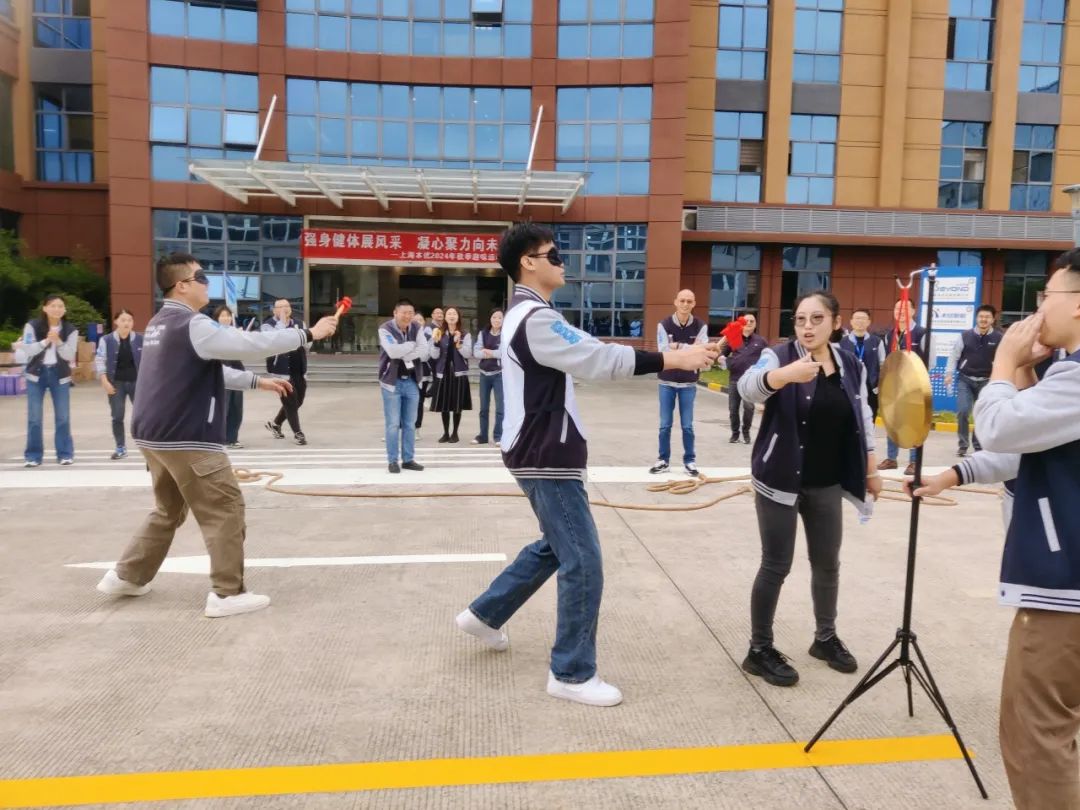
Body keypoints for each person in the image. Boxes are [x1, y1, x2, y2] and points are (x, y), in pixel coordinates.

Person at [454, 222, 719, 707]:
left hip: (539, 449)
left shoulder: (527, 313)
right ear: (528, 263)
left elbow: (591, 351)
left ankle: (484, 614)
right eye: (553, 254)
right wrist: (673, 360)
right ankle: (571, 673)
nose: (562, 262)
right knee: (583, 558)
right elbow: (597, 359)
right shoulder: (535, 317)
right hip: (545, 452)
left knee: (557, 545)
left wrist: (676, 355)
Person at [909, 248, 1080, 809]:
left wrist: (1005, 362)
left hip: (1064, 591)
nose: (1037, 309)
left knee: (1037, 737)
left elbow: (1002, 428)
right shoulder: (1064, 376)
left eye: (1047, 296)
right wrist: (955, 473)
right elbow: (1031, 444)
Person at [94, 253, 338, 618]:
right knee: (225, 508)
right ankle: (227, 593)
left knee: (168, 510)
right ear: (182, 285)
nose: (208, 284)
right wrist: (308, 334)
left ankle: (126, 576)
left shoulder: (160, 324)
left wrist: (256, 381)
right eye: (202, 277)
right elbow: (249, 344)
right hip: (186, 435)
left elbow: (205, 371)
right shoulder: (193, 324)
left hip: (153, 436)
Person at [737, 290, 881, 688]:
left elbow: (862, 414)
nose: (807, 327)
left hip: (826, 481)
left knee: (827, 562)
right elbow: (748, 388)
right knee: (776, 564)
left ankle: (825, 638)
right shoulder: (779, 356)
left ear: (836, 322)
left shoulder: (850, 363)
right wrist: (783, 376)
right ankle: (759, 649)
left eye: (817, 318)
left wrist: (871, 467)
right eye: (801, 319)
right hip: (779, 479)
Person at [648, 289, 709, 476]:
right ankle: (663, 460)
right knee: (665, 424)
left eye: (689, 301)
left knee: (687, 425)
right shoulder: (664, 325)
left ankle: (690, 461)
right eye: (682, 300)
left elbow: (702, 350)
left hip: (688, 384)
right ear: (675, 302)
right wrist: (690, 349)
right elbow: (664, 350)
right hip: (666, 382)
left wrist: (679, 346)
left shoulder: (700, 326)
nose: (685, 304)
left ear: (694, 303)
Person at [15, 295, 79, 467]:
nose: (57, 309)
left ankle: (65, 454)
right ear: (44, 308)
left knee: (63, 417)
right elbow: (28, 349)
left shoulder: (71, 329)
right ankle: (33, 456)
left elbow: (69, 355)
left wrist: (58, 342)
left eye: (60, 306)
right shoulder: (32, 326)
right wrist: (46, 341)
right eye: (53, 305)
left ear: (64, 310)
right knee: (34, 418)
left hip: (60, 375)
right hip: (36, 375)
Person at [878, 298, 928, 476]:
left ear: (913, 311)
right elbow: (886, 360)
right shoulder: (889, 334)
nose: (900, 312)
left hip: (915, 386)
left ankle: (914, 461)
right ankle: (891, 458)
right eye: (897, 308)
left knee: (915, 422)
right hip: (895, 384)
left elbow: (931, 359)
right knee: (892, 418)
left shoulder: (922, 333)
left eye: (905, 308)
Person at [944, 304, 1002, 457]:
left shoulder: (998, 338)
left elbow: (1002, 359)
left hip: (986, 381)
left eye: (987, 317)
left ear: (993, 319)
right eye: (981, 316)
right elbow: (954, 356)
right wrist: (948, 374)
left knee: (981, 414)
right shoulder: (965, 336)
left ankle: (978, 445)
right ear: (976, 318)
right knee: (963, 411)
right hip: (965, 379)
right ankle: (963, 445)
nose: (984, 319)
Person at [378, 299, 429, 474]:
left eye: (410, 313)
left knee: (410, 424)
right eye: (404, 312)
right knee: (393, 424)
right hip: (391, 383)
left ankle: (408, 459)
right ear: (395, 313)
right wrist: (411, 345)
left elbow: (424, 350)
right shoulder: (385, 328)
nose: (408, 316)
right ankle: (393, 461)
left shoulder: (417, 327)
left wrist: (405, 353)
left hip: (412, 381)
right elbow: (392, 352)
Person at [94, 309, 143, 460]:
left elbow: (150, 361)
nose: (126, 323)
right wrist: (104, 381)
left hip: (137, 383)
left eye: (129, 320)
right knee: (117, 416)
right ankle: (120, 447)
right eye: (123, 320)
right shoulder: (106, 340)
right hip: (116, 384)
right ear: (116, 321)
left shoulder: (141, 339)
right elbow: (100, 360)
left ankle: (147, 448)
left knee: (143, 416)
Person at [262, 298, 310, 446]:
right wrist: (282, 324)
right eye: (280, 307)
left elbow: (307, 344)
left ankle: (276, 424)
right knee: (290, 401)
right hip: (280, 371)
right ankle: (298, 433)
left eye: (287, 306)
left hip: (299, 369)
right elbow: (275, 340)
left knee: (298, 401)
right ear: (274, 310)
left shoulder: (299, 323)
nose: (284, 309)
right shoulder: (268, 325)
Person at [719, 312, 769, 445]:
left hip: (751, 381)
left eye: (752, 321)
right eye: (746, 321)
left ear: (755, 324)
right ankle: (735, 434)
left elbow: (767, 358)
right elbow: (722, 355)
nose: (749, 323)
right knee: (733, 409)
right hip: (734, 379)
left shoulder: (761, 341)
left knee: (749, 408)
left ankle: (746, 432)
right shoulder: (734, 338)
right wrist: (725, 362)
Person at [429, 306, 473, 443]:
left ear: (458, 317)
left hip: (458, 373)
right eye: (449, 314)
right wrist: (435, 343)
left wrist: (459, 343)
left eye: (454, 314)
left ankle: (455, 433)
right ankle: (446, 433)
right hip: (443, 372)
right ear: (445, 317)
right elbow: (434, 355)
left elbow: (467, 354)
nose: (452, 316)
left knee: (457, 404)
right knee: (444, 405)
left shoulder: (465, 334)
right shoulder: (439, 333)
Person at [838, 307, 885, 419]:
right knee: (849, 419)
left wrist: (879, 385)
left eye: (863, 318)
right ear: (851, 321)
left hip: (871, 388)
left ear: (869, 322)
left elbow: (883, 365)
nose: (860, 321)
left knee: (869, 419)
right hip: (848, 387)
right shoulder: (842, 342)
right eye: (857, 318)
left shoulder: (877, 342)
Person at [214, 305, 246, 449]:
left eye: (227, 315)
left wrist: (241, 338)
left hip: (237, 370)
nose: (226, 318)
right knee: (223, 407)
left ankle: (232, 438)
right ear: (216, 318)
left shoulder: (235, 332)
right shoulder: (214, 333)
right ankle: (219, 438)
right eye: (222, 316)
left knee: (236, 408)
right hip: (221, 372)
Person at [472, 308, 504, 446]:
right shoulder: (483, 333)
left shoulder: (506, 334)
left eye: (500, 317)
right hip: (484, 374)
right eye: (494, 317)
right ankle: (483, 436)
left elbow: (503, 353)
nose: (497, 320)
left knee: (500, 408)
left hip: (499, 374)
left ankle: (499, 436)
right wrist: (492, 353)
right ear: (490, 319)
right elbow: (476, 352)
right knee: (483, 408)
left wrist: (488, 351)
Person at [416, 307, 445, 433]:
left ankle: (416, 428)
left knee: (419, 400)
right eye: (415, 320)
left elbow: (426, 355)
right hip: (406, 372)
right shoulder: (405, 334)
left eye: (420, 320)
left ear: (424, 322)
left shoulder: (428, 335)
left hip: (423, 370)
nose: (417, 322)